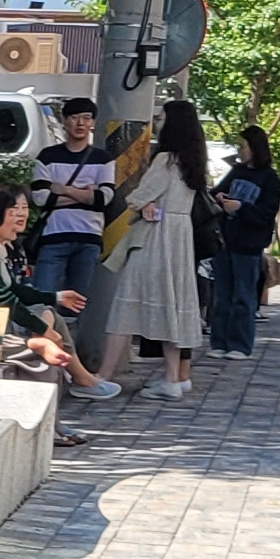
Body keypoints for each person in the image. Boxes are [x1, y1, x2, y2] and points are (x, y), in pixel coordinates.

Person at [0, 183, 101, 444]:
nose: (20, 216)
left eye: (23, 209)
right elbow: (3, 298)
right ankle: (52, 414)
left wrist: (56, 297)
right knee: (44, 362)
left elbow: (14, 290)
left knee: (48, 321)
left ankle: (57, 412)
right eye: (12, 211)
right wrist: (41, 329)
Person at [95, 97, 210, 400]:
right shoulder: (193, 161)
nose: (157, 122)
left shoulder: (165, 160)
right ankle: (173, 378)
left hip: (157, 237)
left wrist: (141, 202)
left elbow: (138, 196)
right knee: (171, 306)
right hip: (180, 237)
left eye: (161, 118)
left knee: (126, 304)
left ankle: (103, 376)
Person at [29, 97, 121, 369]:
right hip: (53, 237)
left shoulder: (102, 159)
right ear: (64, 121)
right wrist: (85, 194)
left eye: (86, 118)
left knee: (75, 306)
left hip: (88, 238)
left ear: (93, 123)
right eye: (74, 117)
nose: (80, 123)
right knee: (43, 300)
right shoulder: (48, 156)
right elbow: (40, 198)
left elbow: (104, 198)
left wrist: (63, 190)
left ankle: (68, 364)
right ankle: (40, 361)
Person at [209, 123, 280, 357]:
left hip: (249, 244)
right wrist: (219, 197)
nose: (240, 151)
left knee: (243, 295)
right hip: (225, 240)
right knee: (222, 295)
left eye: (243, 146)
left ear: (255, 148)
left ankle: (240, 344)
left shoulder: (270, 178)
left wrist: (241, 208)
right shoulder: (237, 172)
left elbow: (266, 214)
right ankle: (219, 342)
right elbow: (215, 192)